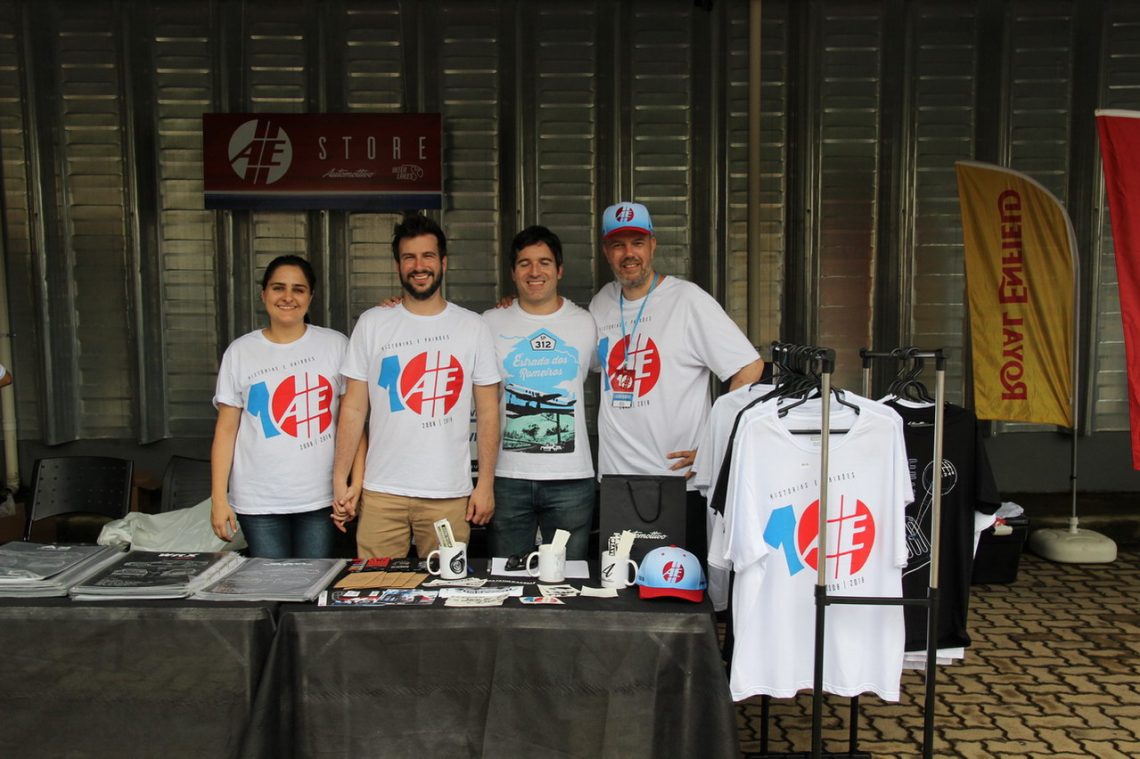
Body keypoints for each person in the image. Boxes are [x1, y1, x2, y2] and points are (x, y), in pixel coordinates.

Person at [590, 201, 764, 551]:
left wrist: (714, 444)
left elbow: (749, 367)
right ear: (606, 252)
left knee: (678, 580)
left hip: (677, 482)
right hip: (616, 481)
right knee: (619, 580)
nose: (629, 253)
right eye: (618, 244)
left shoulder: (687, 300)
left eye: (637, 243)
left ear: (653, 245)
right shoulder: (602, 303)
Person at [332, 213, 501, 559]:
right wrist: (341, 478)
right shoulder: (373, 323)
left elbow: (488, 413)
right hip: (381, 492)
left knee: (447, 588)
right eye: (409, 257)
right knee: (373, 585)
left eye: (427, 256)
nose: (419, 266)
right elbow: (353, 408)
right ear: (397, 265)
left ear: (443, 263)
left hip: (448, 494)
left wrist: (485, 485)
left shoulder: (472, 327)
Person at [210, 255, 364, 558]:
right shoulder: (240, 352)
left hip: (320, 498)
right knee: (269, 582)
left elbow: (353, 420)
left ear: (311, 297)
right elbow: (226, 431)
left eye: (298, 289)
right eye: (278, 287)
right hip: (258, 500)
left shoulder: (335, 345)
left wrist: (354, 483)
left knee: (313, 579)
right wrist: (218, 498)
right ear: (263, 294)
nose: (288, 297)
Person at [482, 226, 597, 560]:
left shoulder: (587, 323)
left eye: (544, 262)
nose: (535, 271)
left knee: (568, 577)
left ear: (559, 270)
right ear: (513, 272)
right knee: (506, 577)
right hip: (507, 478)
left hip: (571, 479)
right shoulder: (489, 323)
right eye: (525, 263)